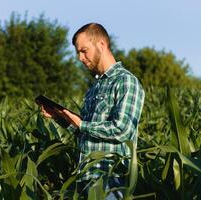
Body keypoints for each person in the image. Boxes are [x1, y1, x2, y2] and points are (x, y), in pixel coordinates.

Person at [40, 23, 145, 199]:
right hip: (85, 178)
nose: (80, 57)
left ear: (101, 45)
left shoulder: (126, 82)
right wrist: (61, 118)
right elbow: (86, 134)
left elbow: (123, 130)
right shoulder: (94, 88)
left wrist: (82, 124)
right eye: (77, 53)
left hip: (111, 180)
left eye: (84, 50)